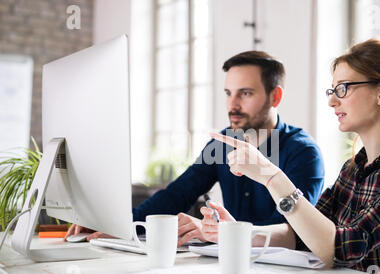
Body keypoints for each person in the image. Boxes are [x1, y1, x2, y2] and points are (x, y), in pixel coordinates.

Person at [206, 39, 380, 274]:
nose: (332, 101)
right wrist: (237, 233)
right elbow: (303, 236)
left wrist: (270, 176)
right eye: (332, 91)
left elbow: (340, 249)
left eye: (343, 88)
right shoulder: (352, 170)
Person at [65, 51, 325, 249]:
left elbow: (295, 233)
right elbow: (178, 193)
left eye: (245, 93)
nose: (232, 104)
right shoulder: (224, 142)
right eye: (228, 93)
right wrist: (122, 227)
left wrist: (219, 233)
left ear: (275, 97)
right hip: (229, 263)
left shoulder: (303, 153)